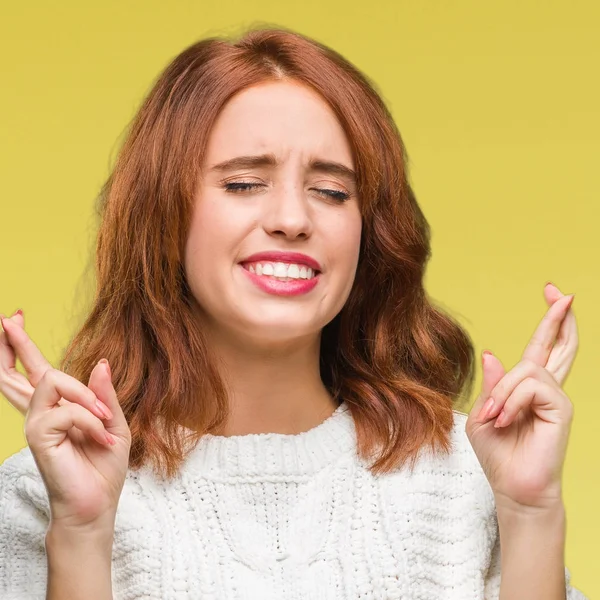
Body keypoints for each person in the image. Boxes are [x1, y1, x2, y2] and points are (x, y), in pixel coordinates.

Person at [0, 26, 588, 600]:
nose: (292, 218)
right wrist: (80, 530)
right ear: (163, 215)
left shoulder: (474, 476)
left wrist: (531, 512)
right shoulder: (45, 488)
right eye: (245, 183)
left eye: (332, 192)